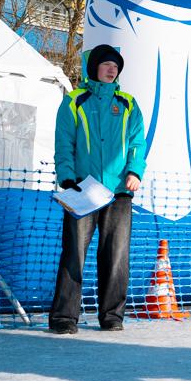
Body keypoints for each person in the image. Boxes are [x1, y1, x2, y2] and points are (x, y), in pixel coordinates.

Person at [48, 44, 146, 334]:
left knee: (116, 255)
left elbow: (138, 143)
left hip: (118, 191)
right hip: (83, 190)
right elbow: (64, 143)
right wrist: (67, 177)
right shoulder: (75, 101)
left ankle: (112, 316)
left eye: (115, 65)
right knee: (74, 254)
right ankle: (64, 318)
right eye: (105, 64)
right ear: (93, 68)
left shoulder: (128, 103)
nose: (111, 68)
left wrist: (135, 171)